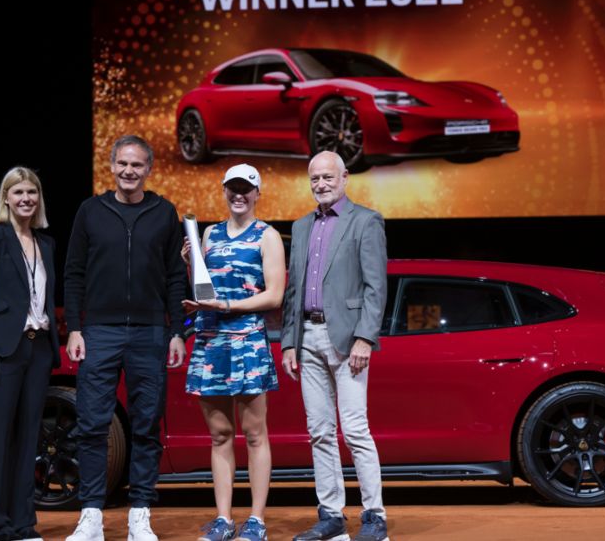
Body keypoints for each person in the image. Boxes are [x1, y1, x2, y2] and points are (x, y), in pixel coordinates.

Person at [64, 135, 188, 541]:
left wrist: (175, 332)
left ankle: (140, 514)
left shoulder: (163, 212)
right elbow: (74, 273)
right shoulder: (90, 211)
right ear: (112, 166)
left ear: (148, 169)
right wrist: (75, 329)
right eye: (122, 164)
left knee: (147, 423)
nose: (129, 171)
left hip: (152, 332)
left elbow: (175, 277)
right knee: (92, 423)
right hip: (99, 331)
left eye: (137, 165)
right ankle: (91, 515)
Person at [281, 151, 389, 541]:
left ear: (345, 177)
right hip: (307, 337)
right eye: (315, 179)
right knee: (319, 431)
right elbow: (293, 292)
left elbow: (376, 287)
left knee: (355, 429)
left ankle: (374, 515)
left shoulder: (366, 221)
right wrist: (289, 343)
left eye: (328, 177)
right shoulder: (301, 226)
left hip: (347, 338)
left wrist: (365, 337)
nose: (322, 184)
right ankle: (330, 514)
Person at [181, 164, 285, 541]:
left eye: (246, 188)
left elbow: (274, 295)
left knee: (255, 434)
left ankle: (255, 520)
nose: (239, 195)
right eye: (232, 188)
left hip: (247, 340)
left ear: (258, 193)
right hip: (210, 341)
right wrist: (189, 261)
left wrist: (227, 307)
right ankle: (224, 519)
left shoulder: (268, 236)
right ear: (224, 191)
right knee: (220, 434)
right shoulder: (209, 233)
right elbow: (204, 288)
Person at [0, 167, 59, 541]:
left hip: (38, 348)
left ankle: (23, 524)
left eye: (31, 193)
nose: (25, 199)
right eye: (18, 192)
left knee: (28, 439)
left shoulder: (45, 243)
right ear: (6, 197)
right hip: (3, 350)